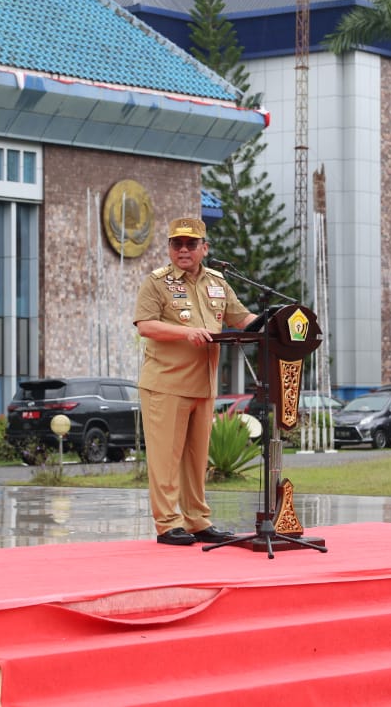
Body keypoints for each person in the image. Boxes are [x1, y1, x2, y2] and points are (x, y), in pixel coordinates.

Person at [133, 217, 255, 546]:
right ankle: (168, 523)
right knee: (166, 457)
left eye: (190, 243)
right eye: (177, 244)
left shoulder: (217, 282)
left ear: (205, 248)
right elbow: (145, 325)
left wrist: (276, 322)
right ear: (170, 248)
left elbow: (241, 318)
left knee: (196, 458)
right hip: (165, 384)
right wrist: (187, 332)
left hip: (203, 385)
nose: (183, 250)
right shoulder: (156, 283)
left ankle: (197, 519)